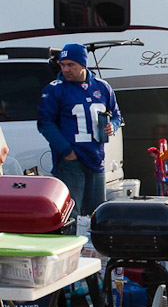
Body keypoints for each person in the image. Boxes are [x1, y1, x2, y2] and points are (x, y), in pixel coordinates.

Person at [37, 43, 121, 217]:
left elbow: (116, 116)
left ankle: (92, 245)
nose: (66, 69)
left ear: (83, 64)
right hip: (71, 161)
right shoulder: (55, 89)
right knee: (71, 213)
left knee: (96, 212)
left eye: (70, 65)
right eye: (63, 65)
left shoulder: (102, 87)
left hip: (96, 158)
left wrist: (112, 126)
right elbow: (45, 123)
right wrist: (66, 150)